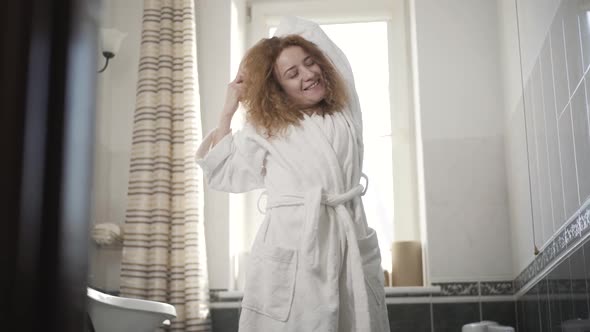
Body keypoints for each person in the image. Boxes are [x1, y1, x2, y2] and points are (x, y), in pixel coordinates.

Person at [196, 16, 389, 332]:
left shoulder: (345, 114)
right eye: (292, 73)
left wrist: (279, 43)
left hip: (346, 241)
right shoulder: (266, 130)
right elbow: (222, 173)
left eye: (311, 63)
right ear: (277, 88)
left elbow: (317, 38)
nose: (309, 74)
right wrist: (228, 110)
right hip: (292, 251)